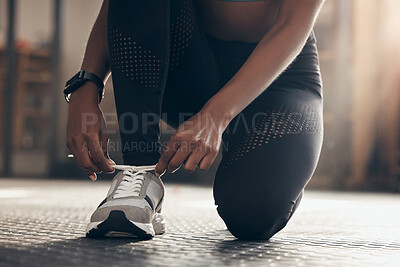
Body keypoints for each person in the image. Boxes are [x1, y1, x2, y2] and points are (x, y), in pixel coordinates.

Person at [66, 0, 325, 240]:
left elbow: (292, 24)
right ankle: (140, 170)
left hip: (280, 76)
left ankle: (255, 158)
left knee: (253, 211)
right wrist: (86, 86)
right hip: (190, 60)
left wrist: (218, 114)